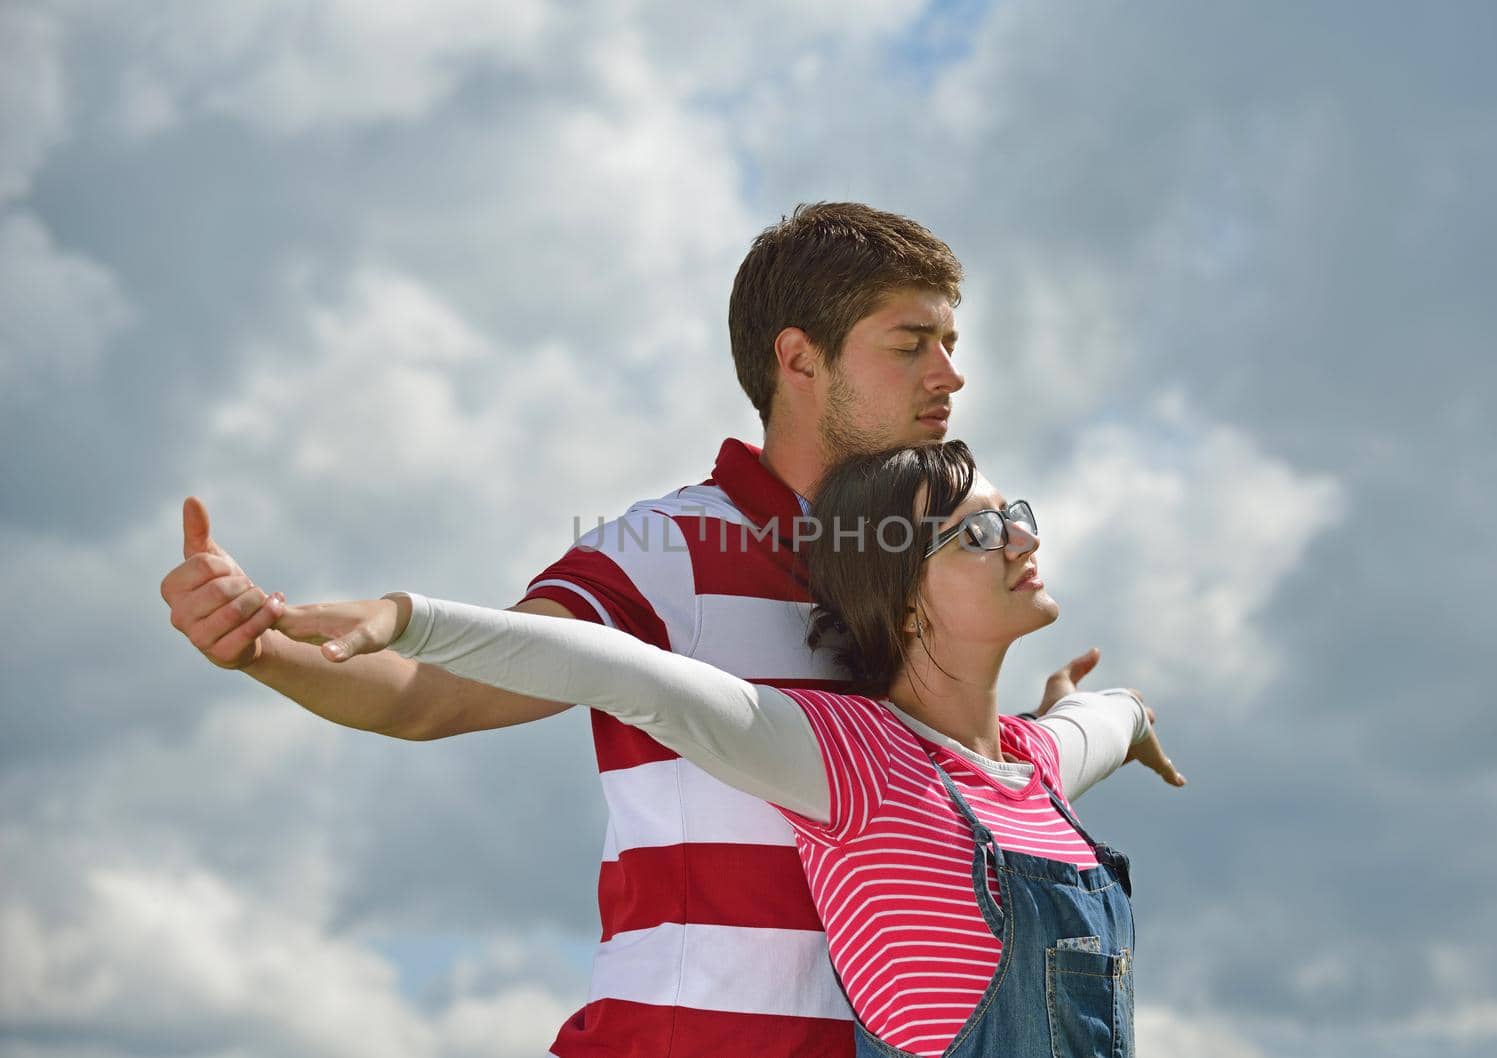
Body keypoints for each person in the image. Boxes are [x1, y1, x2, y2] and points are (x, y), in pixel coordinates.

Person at [159, 203, 1179, 1057]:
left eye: (952, 345)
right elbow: (434, 694)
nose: (949, 376)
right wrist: (262, 644)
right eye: (911, 344)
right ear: (799, 360)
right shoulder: (668, 548)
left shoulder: (935, 557)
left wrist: (1039, 742)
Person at [270, 440, 1184, 1058]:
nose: (1022, 537)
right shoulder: (847, 760)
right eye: (978, 533)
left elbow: (1117, 714)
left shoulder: (1038, 767)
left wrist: (1112, 719)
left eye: (1013, 513)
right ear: (906, 601)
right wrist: (408, 618)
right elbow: (616, 670)